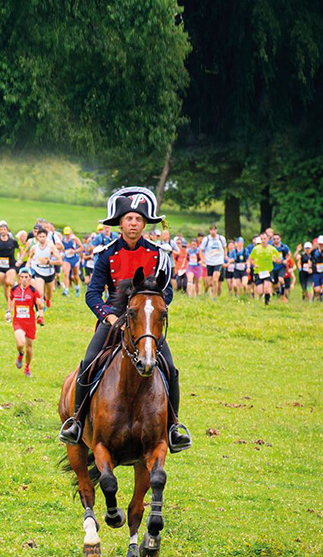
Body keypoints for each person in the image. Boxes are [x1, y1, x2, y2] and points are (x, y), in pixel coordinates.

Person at [59, 187, 190, 452]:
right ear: (120, 223)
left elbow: (167, 292)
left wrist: (152, 311)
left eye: (139, 219)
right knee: (87, 363)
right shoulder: (106, 254)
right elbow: (93, 292)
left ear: (144, 224)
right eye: (129, 219)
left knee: (171, 370)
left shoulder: (158, 253)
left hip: (146, 326)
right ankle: (76, 422)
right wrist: (107, 315)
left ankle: (174, 427)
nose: (134, 223)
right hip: (113, 324)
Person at [9, 267, 44, 377]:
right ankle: (20, 354)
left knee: (29, 347)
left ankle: (27, 367)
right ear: (19, 278)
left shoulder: (33, 291)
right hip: (18, 321)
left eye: (26, 277)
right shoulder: (14, 289)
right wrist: (8, 311)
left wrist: (41, 314)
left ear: (30, 279)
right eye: (22, 277)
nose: (24, 279)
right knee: (20, 343)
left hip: (30, 322)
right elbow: (10, 299)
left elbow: (40, 306)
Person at [27, 227, 60, 312]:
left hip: (49, 273)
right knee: (39, 293)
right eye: (40, 236)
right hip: (39, 272)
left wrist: (49, 261)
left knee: (49, 294)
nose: (42, 238)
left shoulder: (51, 247)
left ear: (46, 237)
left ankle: (47, 299)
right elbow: (29, 258)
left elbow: (60, 261)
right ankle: (40, 314)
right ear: (37, 237)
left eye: (43, 236)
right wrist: (27, 266)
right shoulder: (34, 248)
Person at [0, 221, 18, 314]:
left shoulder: (13, 241)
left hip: (11, 265)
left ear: (7, 231)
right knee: (4, 285)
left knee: (9, 282)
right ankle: (9, 303)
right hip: (0, 266)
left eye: (4, 229)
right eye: (1, 230)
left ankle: (15, 284)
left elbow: (21, 249)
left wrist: (20, 259)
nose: (3, 231)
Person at [249, 233, 281, 305]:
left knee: (267, 288)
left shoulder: (272, 249)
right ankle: (264, 296)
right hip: (258, 272)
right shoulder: (256, 249)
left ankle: (267, 303)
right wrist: (254, 264)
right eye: (261, 239)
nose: (263, 240)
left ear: (268, 239)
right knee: (260, 291)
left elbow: (279, 260)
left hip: (268, 271)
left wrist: (275, 260)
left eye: (265, 239)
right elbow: (251, 259)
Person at [199, 224, 227, 300]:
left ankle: (214, 297)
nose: (213, 232)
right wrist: (202, 259)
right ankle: (205, 291)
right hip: (209, 262)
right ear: (209, 231)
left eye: (214, 230)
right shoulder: (206, 239)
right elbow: (201, 250)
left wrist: (225, 256)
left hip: (218, 262)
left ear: (216, 230)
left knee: (215, 280)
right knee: (209, 283)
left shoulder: (221, 239)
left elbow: (225, 248)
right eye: (211, 230)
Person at [60, 226, 84, 297]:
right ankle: (66, 290)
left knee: (75, 275)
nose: (67, 236)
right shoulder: (63, 239)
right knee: (66, 274)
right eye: (66, 234)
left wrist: (74, 251)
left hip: (74, 258)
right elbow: (61, 248)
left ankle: (77, 287)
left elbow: (81, 248)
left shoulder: (74, 239)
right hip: (67, 258)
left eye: (68, 234)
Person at [311, 235, 323, 303]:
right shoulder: (314, 252)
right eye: (320, 244)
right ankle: (320, 296)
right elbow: (311, 260)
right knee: (317, 289)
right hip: (316, 272)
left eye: (322, 244)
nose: (321, 245)